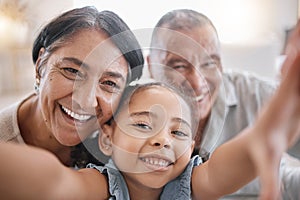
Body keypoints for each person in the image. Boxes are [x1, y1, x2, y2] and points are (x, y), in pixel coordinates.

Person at [1, 51, 300, 199]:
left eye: (178, 132)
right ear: (107, 139)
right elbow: (51, 182)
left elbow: (227, 165)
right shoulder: (100, 186)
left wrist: (263, 133)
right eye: (143, 125)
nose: (163, 141)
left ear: (193, 145)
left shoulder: (193, 183)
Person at [147, 9, 300, 199]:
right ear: (151, 66)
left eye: (209, 63)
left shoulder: (261, 97)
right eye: (179, 66)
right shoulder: (129, 117)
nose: (198, 82)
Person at [0, 6, 144, 167]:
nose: (86, 101)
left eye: (109, 83)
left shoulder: (122, 147)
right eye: (72, 71)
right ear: (41, 66)